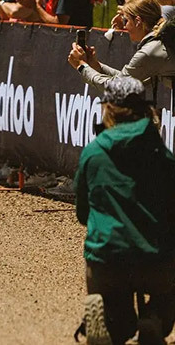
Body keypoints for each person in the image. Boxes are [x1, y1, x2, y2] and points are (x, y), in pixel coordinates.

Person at [73, 76, 175, 345]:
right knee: (166, 291)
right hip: (156, 260)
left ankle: (110, 320)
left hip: (107, 258)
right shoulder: (163, 156)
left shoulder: (93, 153)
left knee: (119, 324)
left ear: (107, 108)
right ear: (146, 110)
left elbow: (83, 213)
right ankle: (155, 318)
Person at [70, 0, 175, 102]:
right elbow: (127, 79)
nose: (124, 27)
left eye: (125, 21)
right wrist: (96, 66)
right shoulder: (159, 43)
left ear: (138, 21)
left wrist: (82, 67)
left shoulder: (150, 51)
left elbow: (117, 87)